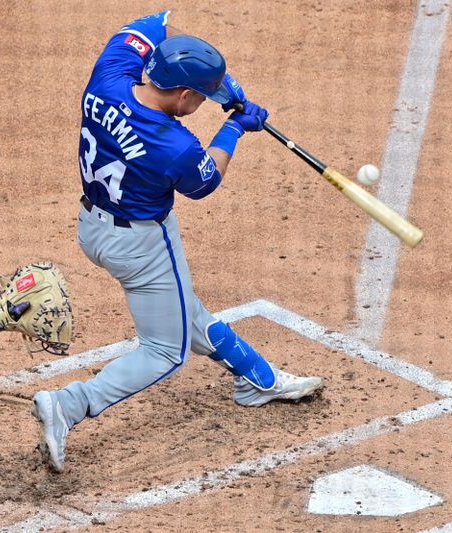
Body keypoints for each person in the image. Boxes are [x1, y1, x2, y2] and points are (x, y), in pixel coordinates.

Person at [31, 11, 324, 473]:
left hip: (93, 227)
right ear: (185, 94)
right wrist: (233, 126)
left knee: (184, 311)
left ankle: (256, 380)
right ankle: (70, 405)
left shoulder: (110, 74)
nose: (204, 104)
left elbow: (153, 22)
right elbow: (204, 183)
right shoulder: (174, 145)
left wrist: (223, 85)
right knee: (166, 350)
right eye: (203, 97)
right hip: (142, 247)